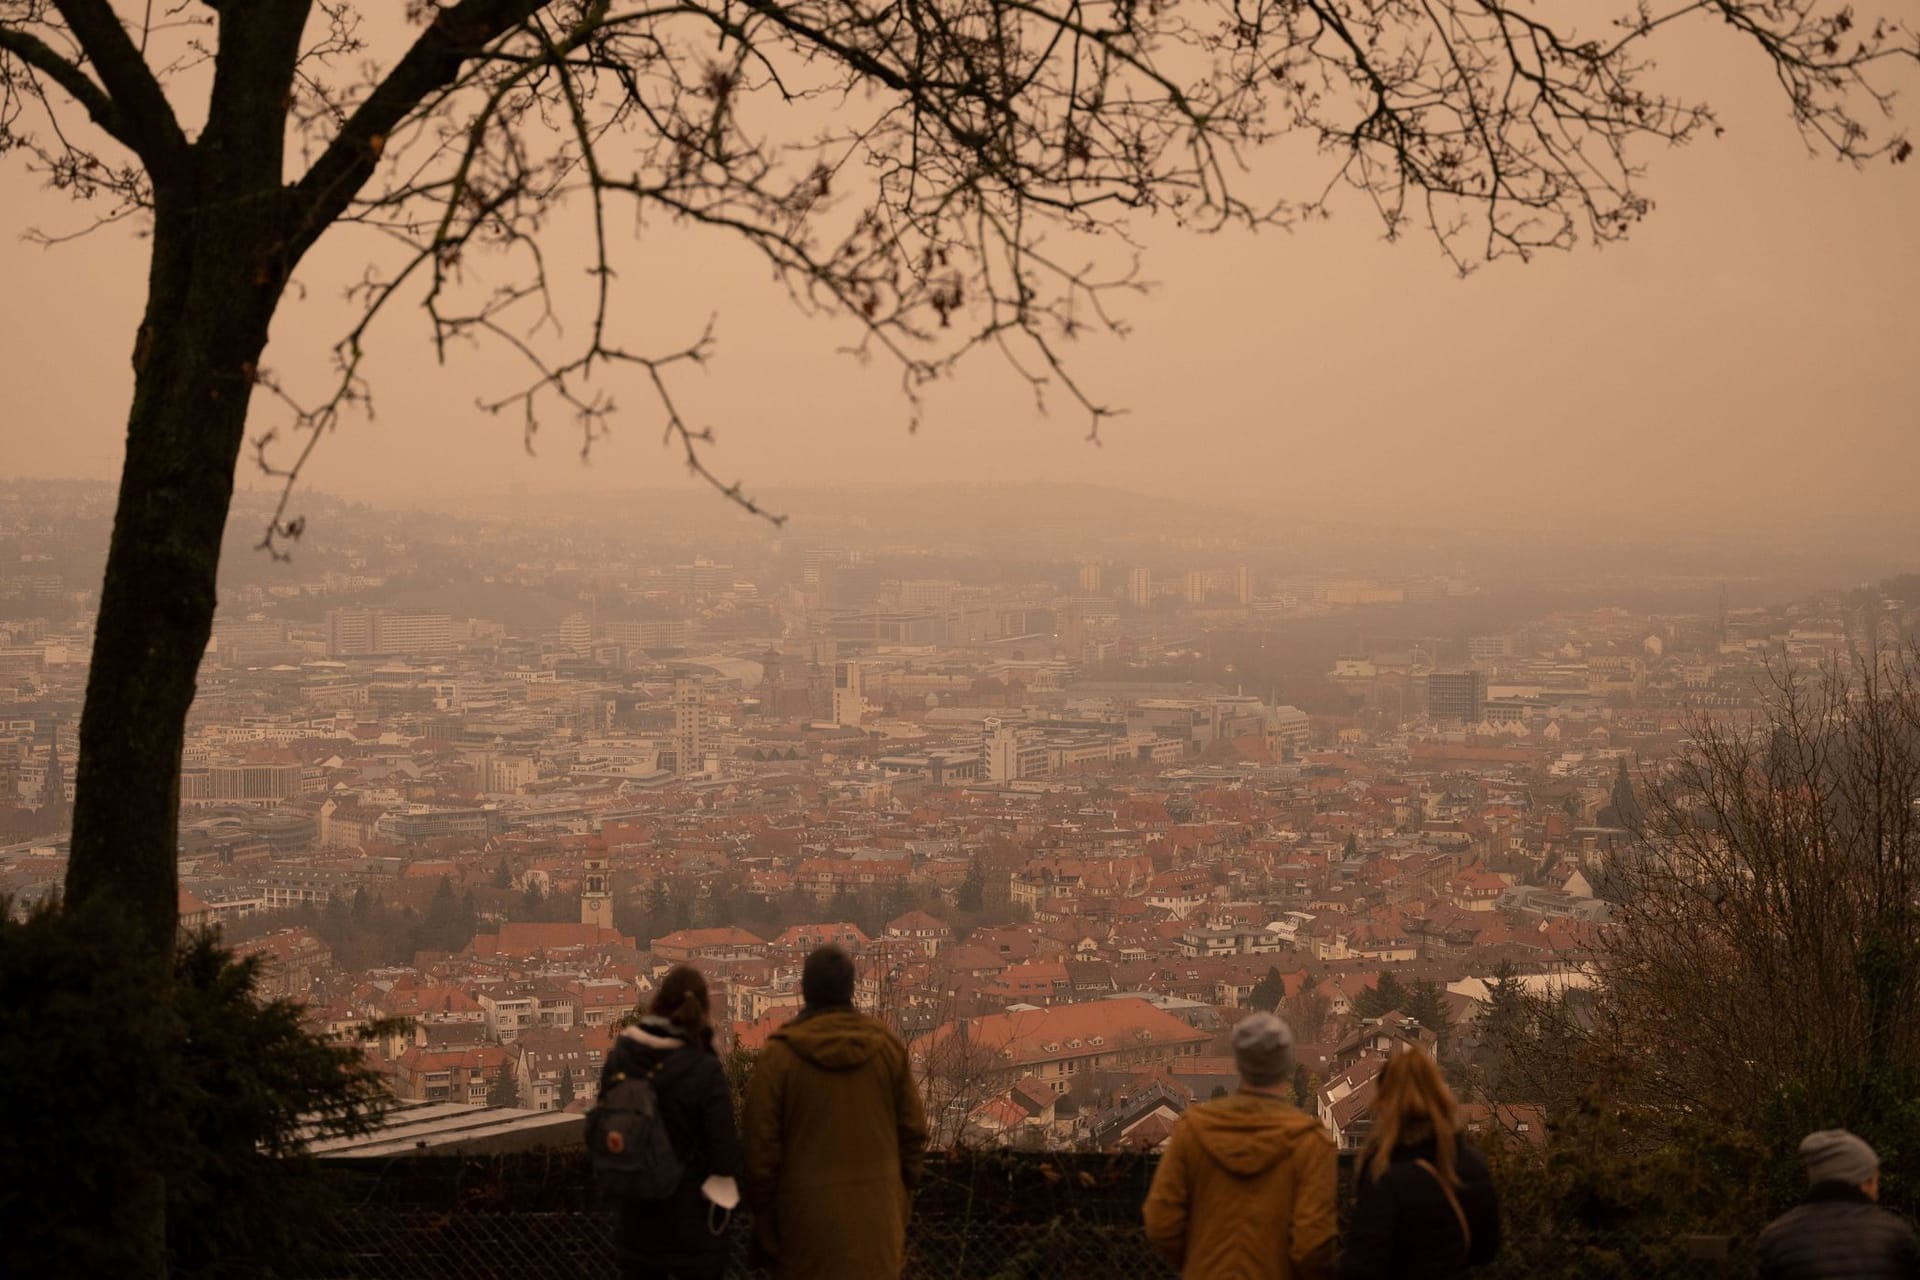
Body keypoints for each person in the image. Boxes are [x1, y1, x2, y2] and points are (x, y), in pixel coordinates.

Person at [743, 945, 929, 1279]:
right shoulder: (886, 1048)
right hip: (877, 1224)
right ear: (851, 988)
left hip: (804, 1227)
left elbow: (760, 1153)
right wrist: (898, 1198)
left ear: (804, 989)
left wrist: (767, 1220)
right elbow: (914, 1135)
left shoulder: (780, 1057)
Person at [1143, 1012, 1338, 1280]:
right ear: (1285, 1065)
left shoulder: (1193, 1130)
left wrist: (1199, 1262)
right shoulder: (1310, 1143)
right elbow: (1312, 1244)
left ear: (1239, 1063)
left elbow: (1160, 1222)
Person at [597, 965, 742, 1280]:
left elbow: (603, 1124)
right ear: (702, 1010)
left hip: (634, 1218)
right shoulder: (704, 1069)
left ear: (657, 1004)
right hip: (689, 1226)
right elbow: (725, 1156)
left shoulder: (622, 1056)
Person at [1339, 1049, 1499, 1280]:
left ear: (1385, 1103)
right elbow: (1485, 1251)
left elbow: (1362, 1263)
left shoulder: (1385, 1173)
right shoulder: (1472, 1164)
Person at [1756, 1129, 1920, 1279]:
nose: (1877, 1190)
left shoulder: (1776, 1239)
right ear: (1863, 1181)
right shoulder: (1896, 1234)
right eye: (1875, 1180)